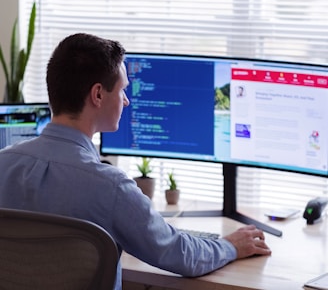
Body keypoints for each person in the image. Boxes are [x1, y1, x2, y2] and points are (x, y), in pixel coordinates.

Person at [0, 33, 271, 289]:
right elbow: (180, 254)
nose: (127, 101)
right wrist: (232, 246)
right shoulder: (109, 187)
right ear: (98, 95)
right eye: (122, 91)